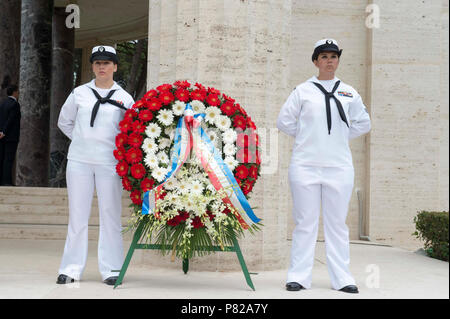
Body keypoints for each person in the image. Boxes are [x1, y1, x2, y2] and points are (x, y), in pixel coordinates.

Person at [277, 39, 371, 293]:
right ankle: (298, 276)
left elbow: (364, 123)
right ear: (316, 61)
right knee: (305, 222)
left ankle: (342, 278)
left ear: (338, 60)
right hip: (305, 165)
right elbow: (284, 121)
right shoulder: (303, 91)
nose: (329, 60)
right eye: (324, 56)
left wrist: (339, 136)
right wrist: (310, 134)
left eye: (333, 56)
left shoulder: (349, 92)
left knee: (337, 224)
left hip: (339, 167)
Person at [56, 45, 135, 285]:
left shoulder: (124, 98)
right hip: (79, 161)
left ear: (115, 67)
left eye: (107, 63)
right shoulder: (79, 93)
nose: (102, 67)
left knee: (110, 214)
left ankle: (112, 269)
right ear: (92, 66)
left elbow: (131, 130)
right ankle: (70, 269)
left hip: (109, 163)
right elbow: (65, 122)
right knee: (77, 216)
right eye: (98, 63)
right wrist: (82, 141)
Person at [0, 84, 21, 186]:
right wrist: (4, 131)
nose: (19, 93)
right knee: (9, 159)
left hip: (1, 136)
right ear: (15, 92)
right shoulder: (15, 104)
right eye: (18, 91)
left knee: (2, 158)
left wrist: (1, 132)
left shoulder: (3, 103)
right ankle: (6, 182)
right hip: (11, 136)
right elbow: (11, 120)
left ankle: (2, 181)